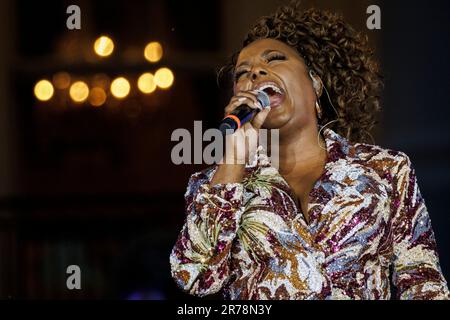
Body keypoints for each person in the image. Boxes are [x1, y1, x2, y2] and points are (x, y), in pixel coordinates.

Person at [170, 2, 449, 299]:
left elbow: (422, 281)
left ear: (315, 83)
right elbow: (194, 275)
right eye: (242, 73)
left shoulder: (385, 170)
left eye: (274, 59)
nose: (255, 73)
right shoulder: (212, 185)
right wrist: (236, 156)